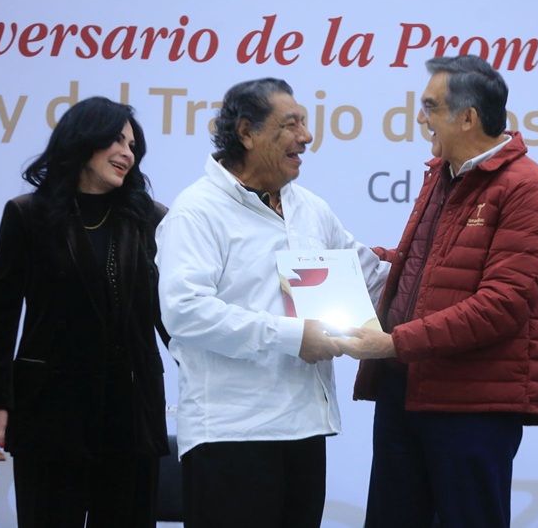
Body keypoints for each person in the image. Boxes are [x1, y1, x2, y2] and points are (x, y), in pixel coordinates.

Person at [336, 55, 538, 528]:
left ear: (467, 118)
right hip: (406, 389)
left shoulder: (528, 189)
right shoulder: (442, 174)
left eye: (430, 107)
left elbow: (500, 306)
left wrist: (393, 342)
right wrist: (343, 262)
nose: (421, 119)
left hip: (471, 404)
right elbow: (425, 271)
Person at [154, 77, 389, 528]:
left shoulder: (310, 208)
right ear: (247, 132)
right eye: (291, 124)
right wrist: (293, 337)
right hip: (231, 435)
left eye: (305, 123)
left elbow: (372, 280)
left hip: (306, 430)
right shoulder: (197, 211)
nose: (307, 136)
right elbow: (185, 312)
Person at [0, 96, 170, 527]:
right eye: (117, 140)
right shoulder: (28, 215)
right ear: (83, 140)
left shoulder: (150, 219)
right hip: (51, 411)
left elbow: (172, 315)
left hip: (131, 411)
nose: (127, 153)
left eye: (133, 146)